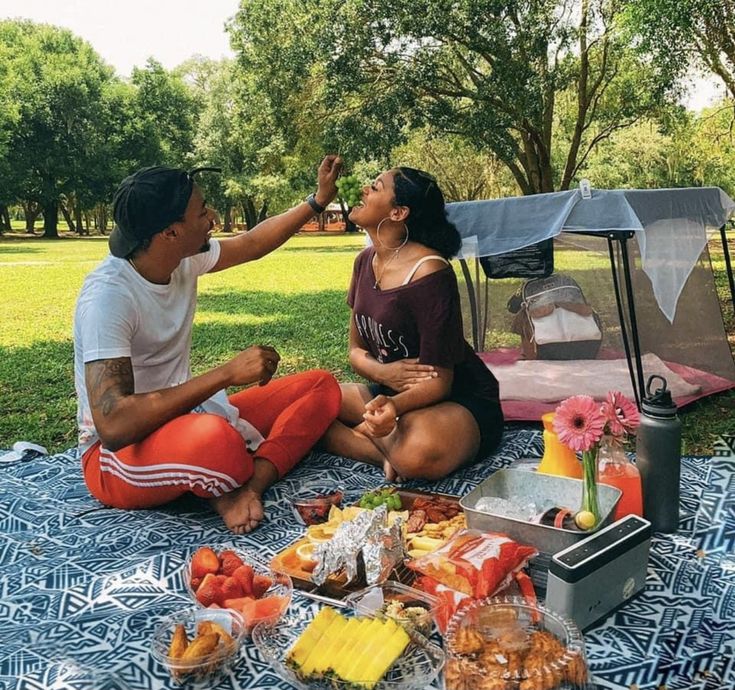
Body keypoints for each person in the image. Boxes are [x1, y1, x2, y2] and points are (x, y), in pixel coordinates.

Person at [73, 157, 343, 534]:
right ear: (169, 233)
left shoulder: (183, 259)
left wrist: (317, 201)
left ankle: (249, 486)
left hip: (188, 420)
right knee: (218, 442)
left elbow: (252, 243)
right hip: (113, 460)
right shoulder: (109, 298)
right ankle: (228, 477)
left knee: (320, 386)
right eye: (201, 212)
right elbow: (115, 425)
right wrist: (226, 374)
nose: (213, 216)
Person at [322, 167, 503, 481]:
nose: (364, 190)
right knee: (316, 400)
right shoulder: (364, 262)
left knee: (418, 449)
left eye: (375, 187)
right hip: (390, 392)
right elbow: (355, 350)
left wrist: (393, 407)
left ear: (398, 212)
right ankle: (383, 453)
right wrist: (384, 375)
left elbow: (439, 381)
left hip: (457, 399)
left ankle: (384, 444)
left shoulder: (430, 273)